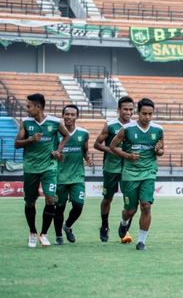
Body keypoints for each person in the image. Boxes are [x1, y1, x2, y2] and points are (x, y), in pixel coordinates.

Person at [14, 93, 69, 248]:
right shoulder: (25, 123)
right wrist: (31, 139)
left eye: (29, 106)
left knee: (51, 199)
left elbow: (66, 136)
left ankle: (43, 234)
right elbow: (17, 144)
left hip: (49, 167)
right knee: (30, 202)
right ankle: (32, 232)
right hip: (31, 167)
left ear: (38, 107)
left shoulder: (55, 122)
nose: (27, 109)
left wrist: (58, 150)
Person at [110, 97, 165, 251]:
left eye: (150, 114)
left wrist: (157, 150)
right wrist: (128, 156)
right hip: (130, 173)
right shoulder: (127, 129)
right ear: (138, 113)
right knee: (130, 210)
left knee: (146, 206)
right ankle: (124, 221)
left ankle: (141, 241)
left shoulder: (158, 130)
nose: (147, 117)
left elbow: (161, 151)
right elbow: (113, 146)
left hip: (148, 172)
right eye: (144, 114)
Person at [94, 96, 135, 242]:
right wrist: (112, 150)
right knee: (107, 199)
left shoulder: (135, 127)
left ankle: (125, 229)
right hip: (111, 168)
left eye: (130, 109)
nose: (128, 112)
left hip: (129, 170)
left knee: (131, 202)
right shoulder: (110, 126)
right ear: (119, 110)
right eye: (125, 109)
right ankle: (104, 225)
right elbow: (97, 144)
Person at [54, 104, 92, 245]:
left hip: (77, 176)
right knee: (60, 208)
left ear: (77, 116)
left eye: (72, 114)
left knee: (78, 205)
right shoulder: (56, 133)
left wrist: (87, 158)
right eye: (67, 114)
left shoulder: (83, 134)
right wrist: (55, 155)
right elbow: (50, 152)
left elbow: (85, 150)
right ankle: (58, 236)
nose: (69, 117)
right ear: (63, 115)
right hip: (59, 177)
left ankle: (67, 226)